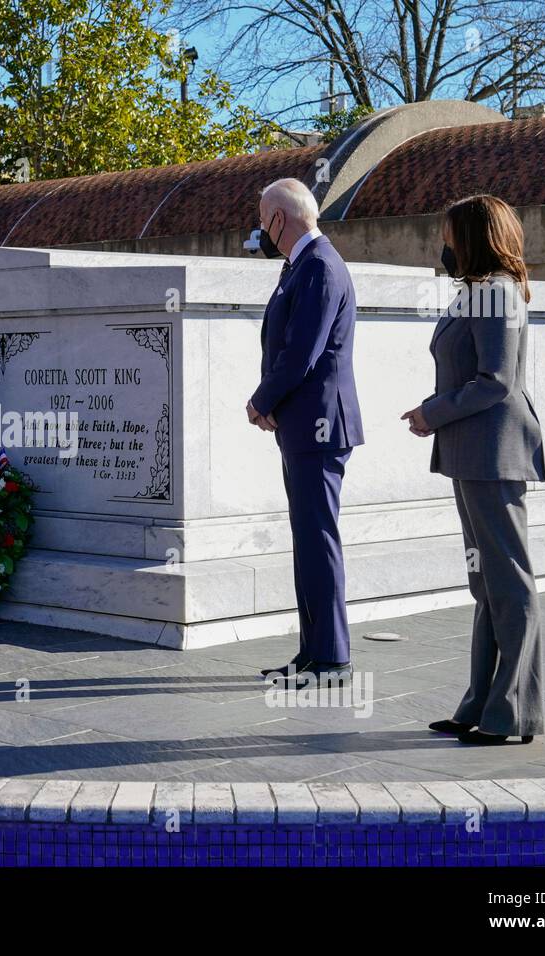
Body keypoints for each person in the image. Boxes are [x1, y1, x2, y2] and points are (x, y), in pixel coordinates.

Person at [402, 194, 545, 746]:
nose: (444, 247)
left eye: (449, 235)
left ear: (473, 238)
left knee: (509, 583)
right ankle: (481, 705)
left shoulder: (494, 293)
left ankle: (511, 714)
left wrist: (431, 413)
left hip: (493, 451)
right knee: (486, 582)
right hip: (473, 452)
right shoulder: (477, 293)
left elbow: (496, 381)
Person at [246, 178, 364, 687]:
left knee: (318, 539)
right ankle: (314, 653)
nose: (259, 228)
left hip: (317, 424)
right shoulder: (301, 265)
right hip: (304, 424)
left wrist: (261, 400)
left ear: (279, 218)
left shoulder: (317, 265)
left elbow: (302, 352)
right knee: (309, 540)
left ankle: (332, 657)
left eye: (261, 217)